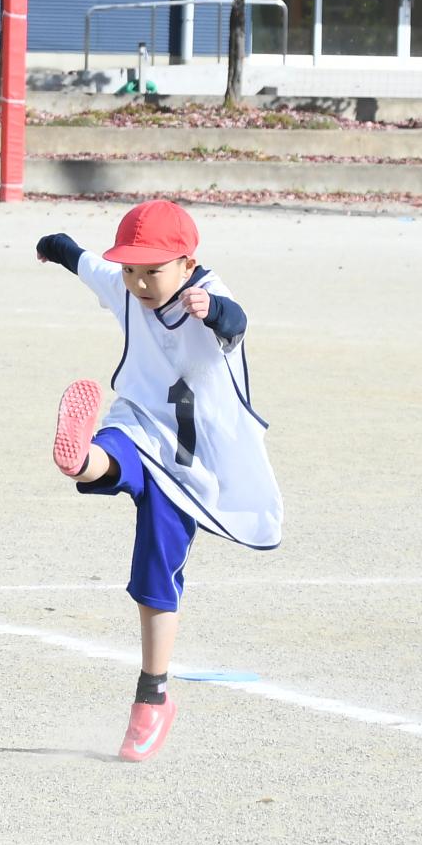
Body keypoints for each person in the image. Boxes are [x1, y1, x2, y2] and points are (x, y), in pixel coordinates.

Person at [35, 199, 283, 762]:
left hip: (191, 466)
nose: (140, 282)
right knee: (112, 451)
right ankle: (80, 460)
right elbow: (90, 265)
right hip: (139, 423)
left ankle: (154, 695)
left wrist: (212, 309)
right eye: (132, 269)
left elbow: (236, 322)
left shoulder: (207, 296)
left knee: (154, 576)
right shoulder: (125, 284)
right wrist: (59, 247)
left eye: (153, 270)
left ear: (188, 262)